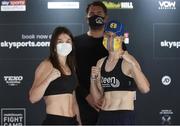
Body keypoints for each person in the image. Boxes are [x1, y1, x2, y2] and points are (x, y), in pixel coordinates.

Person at [90, 20, 150, 125]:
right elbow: (97, 99)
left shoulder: (129, 61)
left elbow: (145, 89)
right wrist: (93, 79)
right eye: (108, 35)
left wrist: (132, 64)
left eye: (115, 36)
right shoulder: (100, 63)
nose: (110, 39)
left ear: (122, 38)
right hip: (104, 115)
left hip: (123, 117)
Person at [29, 26, 81, 125]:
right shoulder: (47, 65)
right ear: (54, 45)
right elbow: (32, 98)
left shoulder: (71, 67)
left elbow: (73, 100)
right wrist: (49, 79)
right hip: (55, 121)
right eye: (60, 41)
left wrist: (79, 122)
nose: (64, 44)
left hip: (72, 121)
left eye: (68, 41)